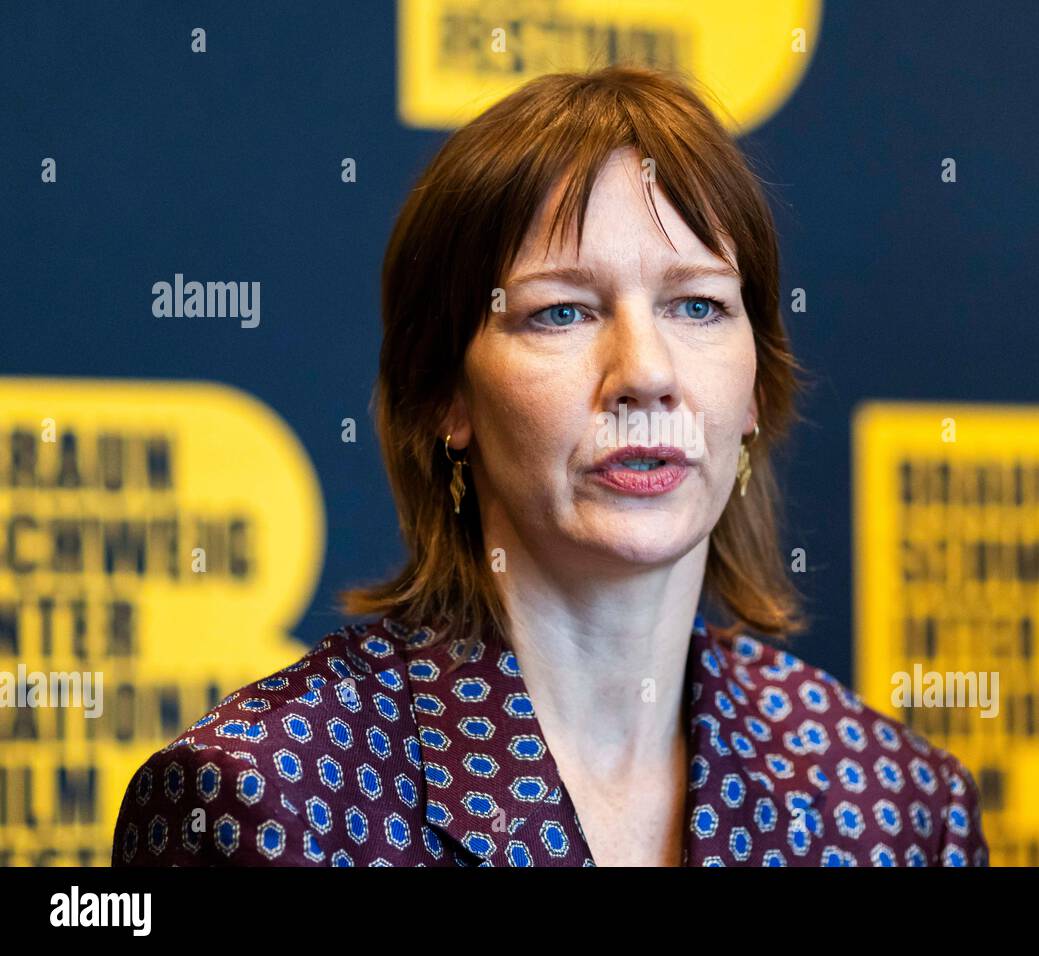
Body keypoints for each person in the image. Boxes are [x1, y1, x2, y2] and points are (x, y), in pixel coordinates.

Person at [110, 64, 988, 867]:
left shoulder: (898, 810)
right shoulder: (260, 805)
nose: (646, 371)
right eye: (561, 313)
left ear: (756, 390)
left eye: (697, 305)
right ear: (443, 396)